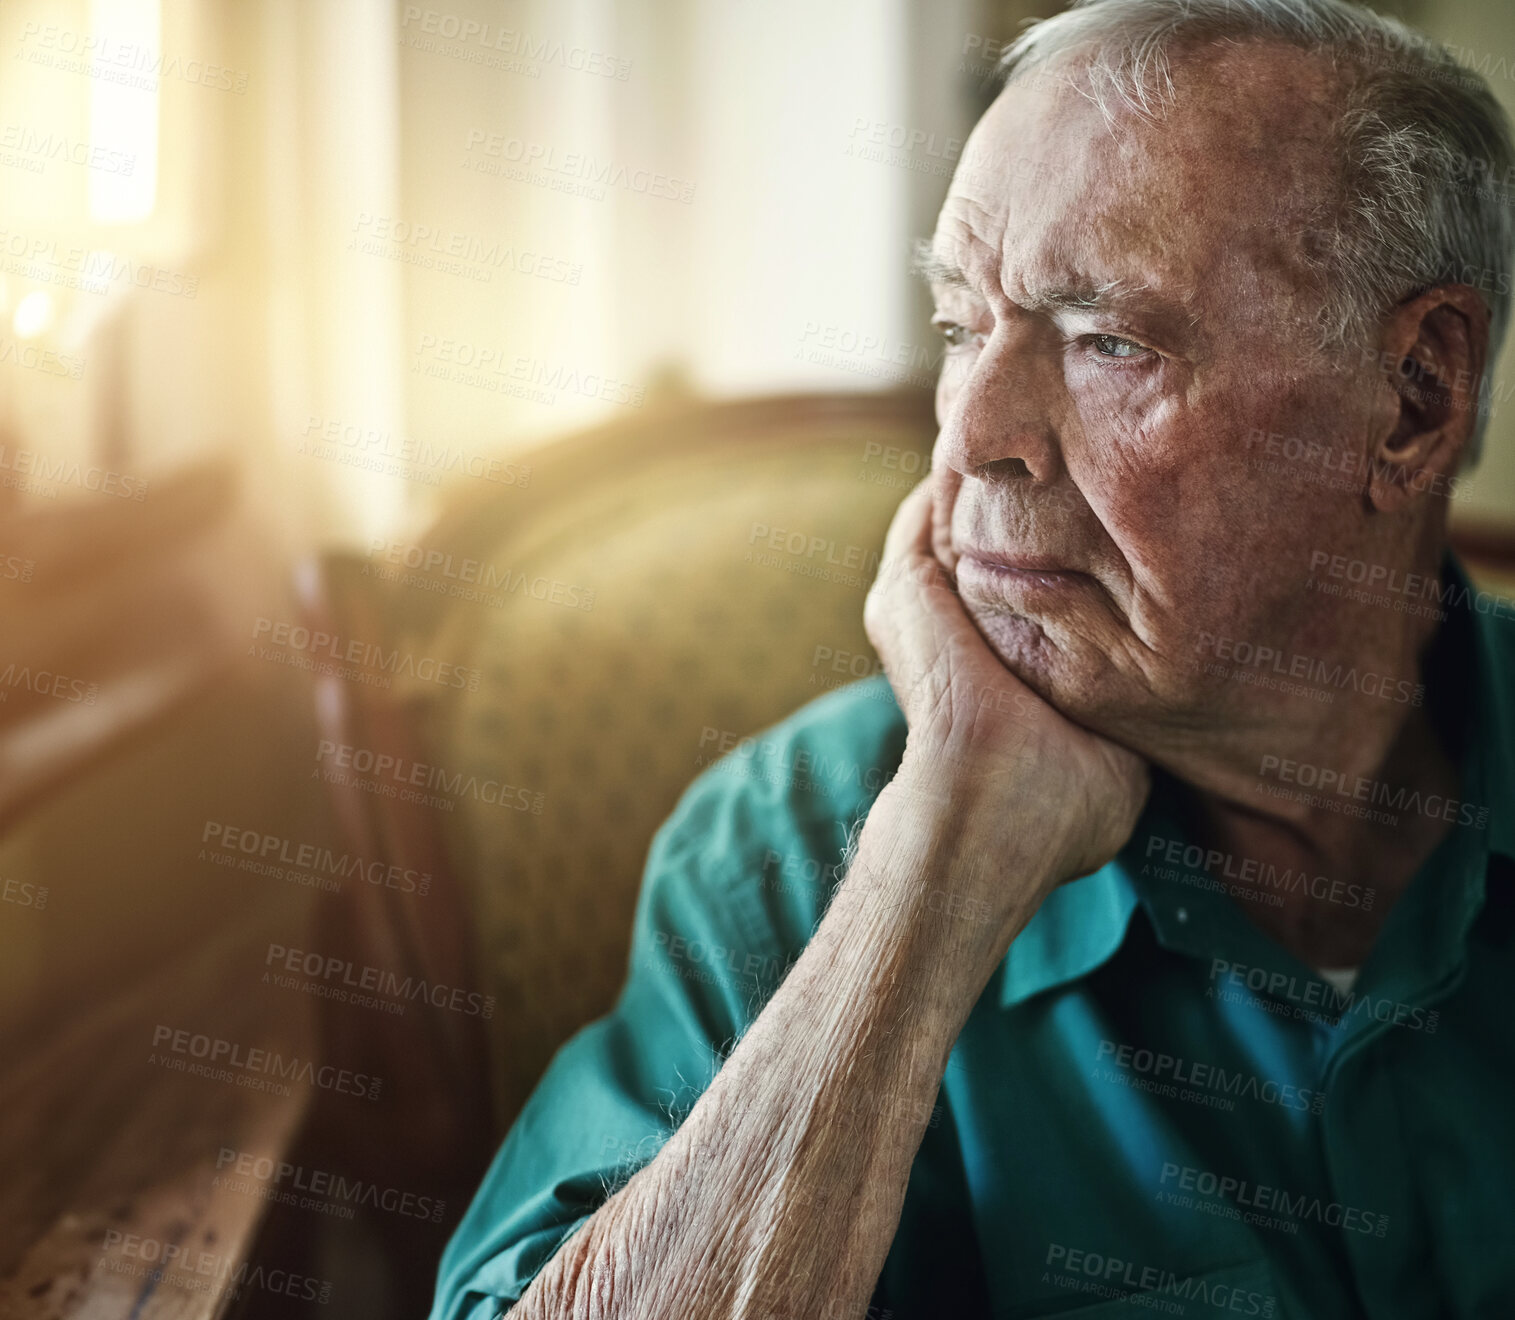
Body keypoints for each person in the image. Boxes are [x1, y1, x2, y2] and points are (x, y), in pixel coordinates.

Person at [430, 0, 1515, 1314]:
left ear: (1412, 398)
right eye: (960, 328)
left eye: (1112, 339)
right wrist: (934, 870)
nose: (974, 436)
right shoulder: (786, 844)